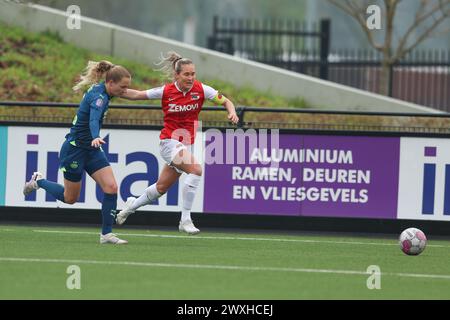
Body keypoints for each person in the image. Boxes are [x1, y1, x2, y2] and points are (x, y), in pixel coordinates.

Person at [116, 51, 239, 234]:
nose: (190, 78)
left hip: (185, 145)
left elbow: (225, 101)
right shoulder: (166, 91)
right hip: (169, 143)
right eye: (186, 74)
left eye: (193, 74)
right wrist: (112, 90)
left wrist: (232, 111)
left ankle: (130, 207)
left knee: (161, 188)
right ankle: (185, 219)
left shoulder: (202, 90)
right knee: (196, 170)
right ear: (177, 75)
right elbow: (137, 95)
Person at [23, 60, 131, 244]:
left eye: (127, 87)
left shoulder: (106, 90)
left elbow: (132, 94)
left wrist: (158, 94)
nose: (125, 91)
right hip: (74, 150)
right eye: (123, 87)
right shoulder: (99, 97)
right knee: (70, 198)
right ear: (111, 83)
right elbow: (94, 119)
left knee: (111, 187)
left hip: (92, 149)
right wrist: (96, 136)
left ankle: (106, 234)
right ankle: (38, 182)